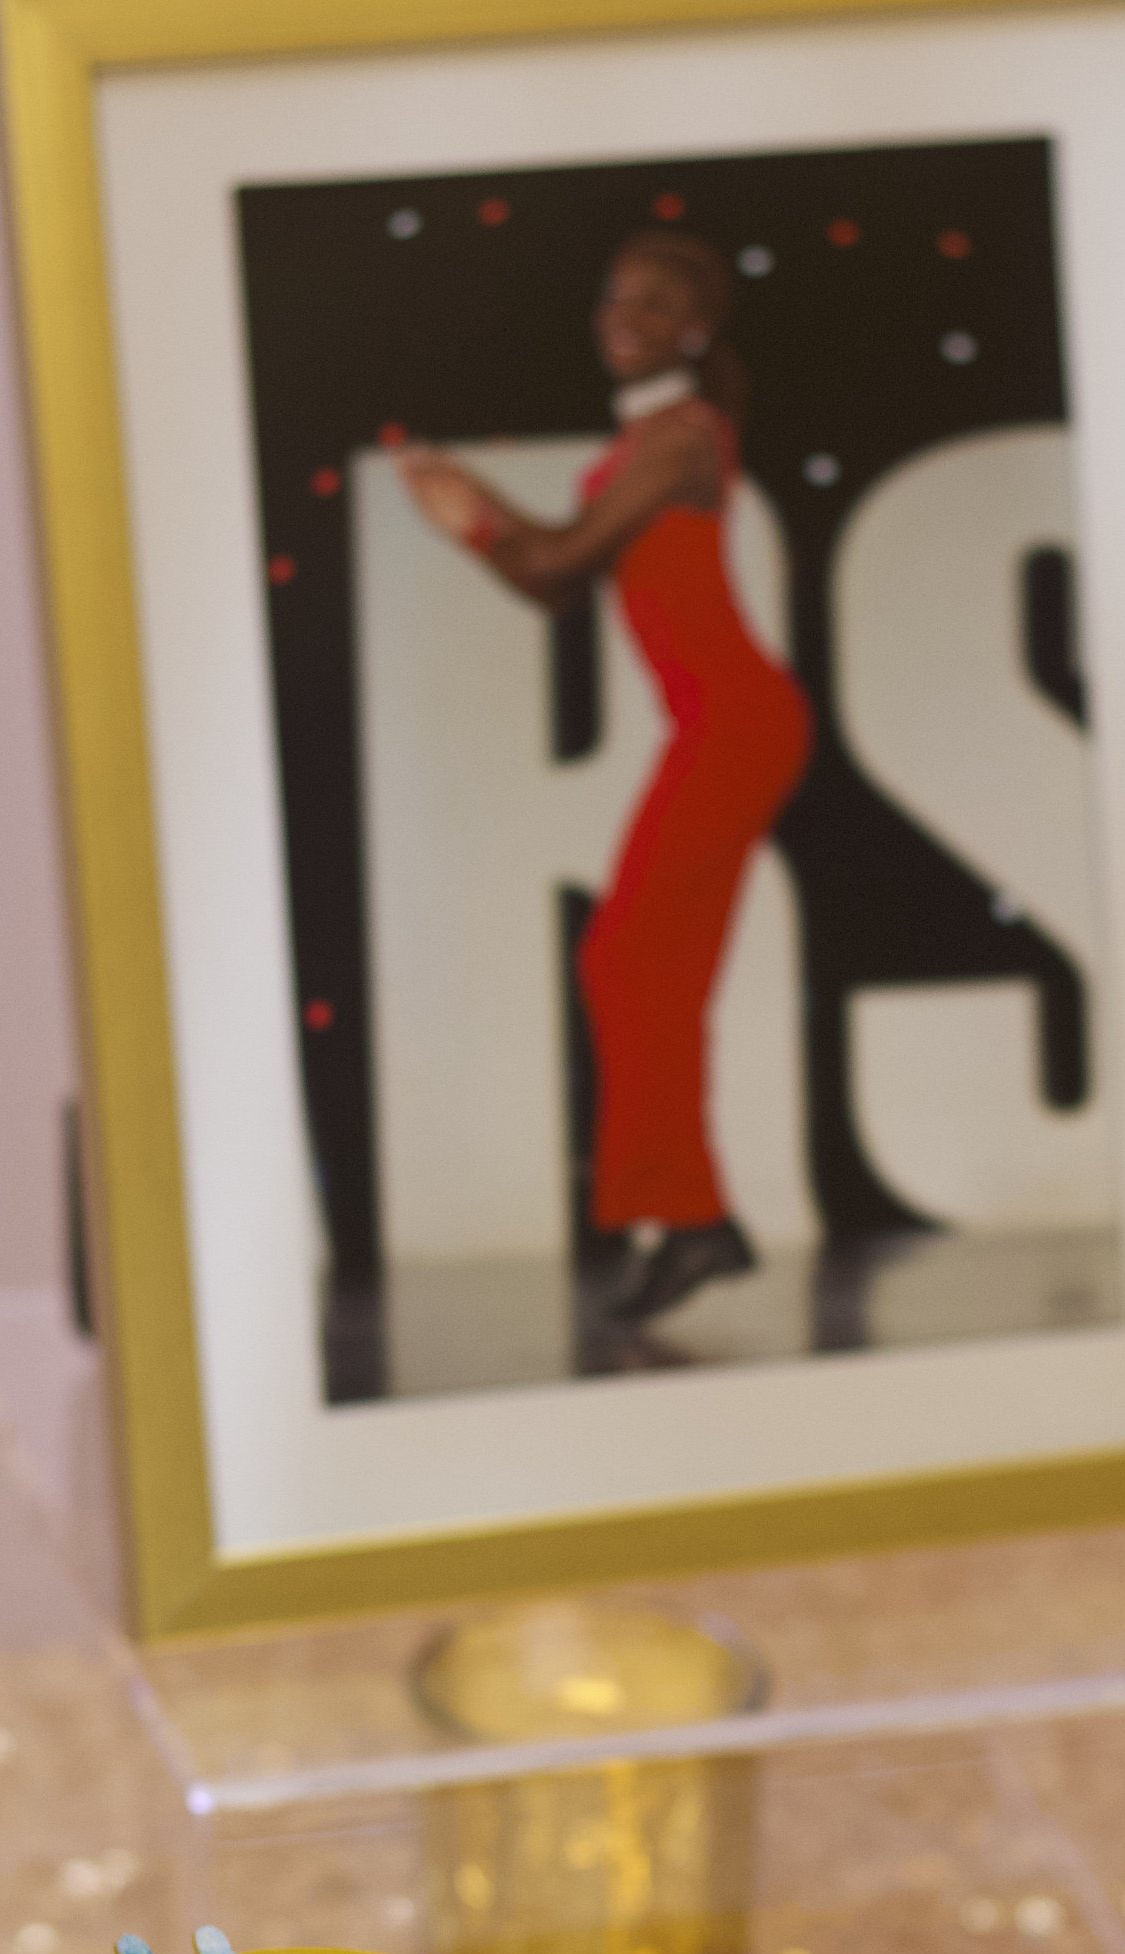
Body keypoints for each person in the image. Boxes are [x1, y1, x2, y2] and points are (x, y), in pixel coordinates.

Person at [401, 231, 812, 1327]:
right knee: (640, 964)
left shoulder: (678, 438)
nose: (620, 315)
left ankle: (690, 1217)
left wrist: (472, 511)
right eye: (611, 296)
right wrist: (478, 523)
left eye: (653, 301)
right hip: (720, 725)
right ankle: (689, 1218)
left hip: (737, 722)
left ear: (693, 326)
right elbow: (552, 591)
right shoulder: (645, 439)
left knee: (629, 957)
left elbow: (547, 559)